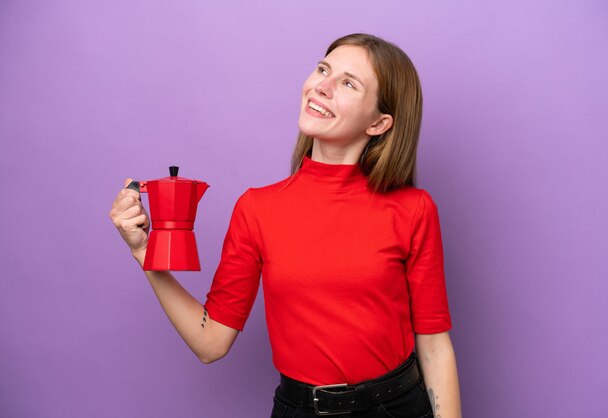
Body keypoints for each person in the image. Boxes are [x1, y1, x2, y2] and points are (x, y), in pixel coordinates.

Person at [110, 33, 462, 418]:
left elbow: (434, 345)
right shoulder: (257, 208)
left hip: (396, 408)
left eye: (348, 83)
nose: (321, 86)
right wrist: (144, 252)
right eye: (323, 69)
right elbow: (210, 343)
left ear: (379, 123)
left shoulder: (414, 209)